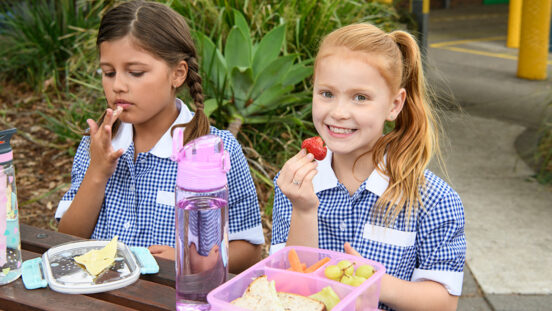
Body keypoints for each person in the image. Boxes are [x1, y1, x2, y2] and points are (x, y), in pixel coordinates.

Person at [56, 0, 264, 274]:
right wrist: (97, 171)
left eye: (136, 72)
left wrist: (189, 259)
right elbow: (69, 237)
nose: (118, 85)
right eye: (108, 72)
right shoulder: (97, 144)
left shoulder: (214, 149)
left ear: (177, 74)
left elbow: (248, 249)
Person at [271, 23, 465, 310]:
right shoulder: (295, 185)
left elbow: (444, 302)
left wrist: (374, 283)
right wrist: (303, 210)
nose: (338, 112)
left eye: (360, 97)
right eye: (326, 93)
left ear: (394, 105)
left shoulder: (435, 200)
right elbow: (288, 286)